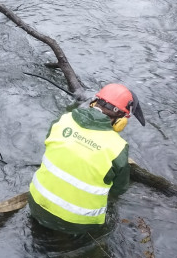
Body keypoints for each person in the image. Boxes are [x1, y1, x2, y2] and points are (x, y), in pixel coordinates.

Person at [28, 83, 146, 235]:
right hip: (78, 225)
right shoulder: (118, 147)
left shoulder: (63, 120)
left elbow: (50, 144)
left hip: (36, 206)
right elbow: (119, 189)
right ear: (121, 120)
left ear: (94, 103)